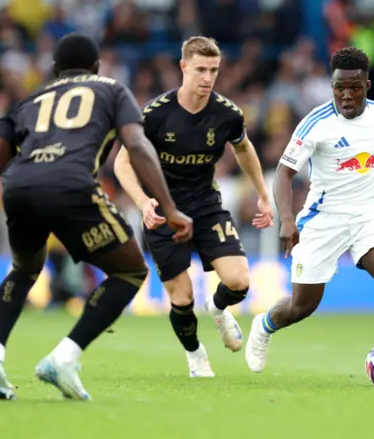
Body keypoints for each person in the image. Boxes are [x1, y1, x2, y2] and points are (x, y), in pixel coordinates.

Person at [0, 33, 193, 400]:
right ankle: (65, 357)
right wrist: (168, 207)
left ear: (55, 71)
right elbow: (136, 144)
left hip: (18, 188)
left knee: (24, 269)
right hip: (72, 185)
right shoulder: (112, 90)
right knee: (130, 270)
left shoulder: (25, 103)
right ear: (97, 67)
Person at [245, 47, 374, 386]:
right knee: (302, 306)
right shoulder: (315, 123)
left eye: (354, 87)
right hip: (322, 221)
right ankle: (264, 325)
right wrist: (287, 219)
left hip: (367, 217)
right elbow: (284, 173)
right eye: (339, 87)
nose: (346, 95)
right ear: (331, 85)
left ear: (367, 85)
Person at [114, 36, 274, 377]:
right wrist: (143, 202)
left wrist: (262, 193)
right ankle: (195, 353)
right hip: (162, 211)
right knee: (181, 297)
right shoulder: (156, 115)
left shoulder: (227, 115)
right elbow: (122, 163)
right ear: (183, 67)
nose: (207, 77)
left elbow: (243, 149)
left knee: (239, 281)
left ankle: (217, 310)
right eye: (200, 69)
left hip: (205, 205)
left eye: (213, 70)